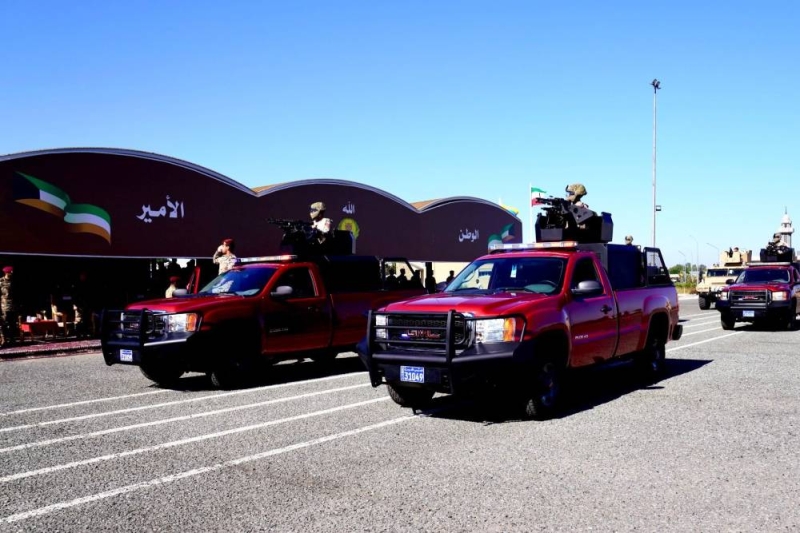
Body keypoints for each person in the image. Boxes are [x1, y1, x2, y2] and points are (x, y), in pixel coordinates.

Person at [0, 266, 17, 347]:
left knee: (12, 323)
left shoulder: (14, 282)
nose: (12, 273)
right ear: (6, 273)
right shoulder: (1, 281)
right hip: (4, 306)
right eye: (10, 272)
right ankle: (4, 340)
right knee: (3, 323)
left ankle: (12, 339)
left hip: (13, 306)